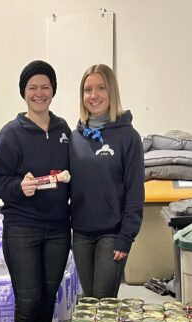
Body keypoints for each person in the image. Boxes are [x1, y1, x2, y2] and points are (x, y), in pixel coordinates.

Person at [0, 60, 71, 322]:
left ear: (53, 91)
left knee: (48, 300)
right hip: (23, 228)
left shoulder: (63, 130)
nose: (39, 93)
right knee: (29, 300)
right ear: (24, 92)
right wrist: (18, 187)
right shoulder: (11, 134)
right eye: (32, 87)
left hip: (58, 228)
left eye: (45, 87)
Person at [69, 64, 145, 299]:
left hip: (112, 235)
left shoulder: (128, 137)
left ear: (112, 92)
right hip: (81, 234)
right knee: (89, 300)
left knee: (103, 303)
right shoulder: (74, 138)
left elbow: (134, 191)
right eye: (87, 89)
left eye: (101, 88)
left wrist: (126, 237)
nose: (93, 95)